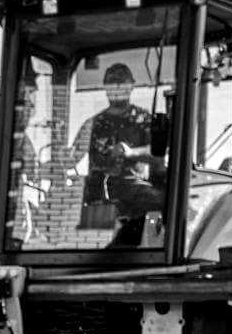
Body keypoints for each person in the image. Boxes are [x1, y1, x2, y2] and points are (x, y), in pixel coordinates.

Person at [70, 62, 163, 233]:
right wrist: (56, 160)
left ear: (131, 85)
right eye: (112, 82)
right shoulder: (93, 124)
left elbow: (161, 155)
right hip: (97, 199)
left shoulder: (143, 120)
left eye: (121, 82)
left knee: (165, 205)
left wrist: (132, 153)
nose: (117, 87)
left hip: (135, 194)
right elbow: (71, 158)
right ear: (105, 86)